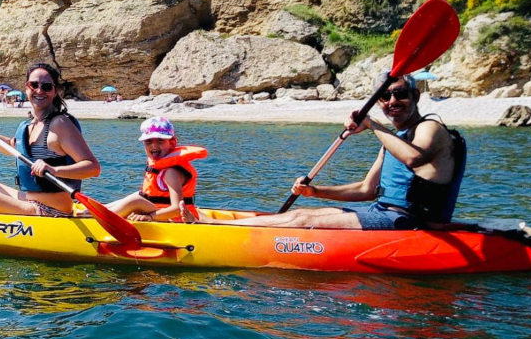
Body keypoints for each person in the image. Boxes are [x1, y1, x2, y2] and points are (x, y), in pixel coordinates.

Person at [225, 73, 466, 230]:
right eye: (384, 96)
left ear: (415, 96)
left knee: (303, 221)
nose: (392, 101)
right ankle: (218, 226)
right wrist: (315, 191)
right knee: (301, 212)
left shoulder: (430, 128)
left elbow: (415, 158)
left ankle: (209, 226)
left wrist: (371, 124)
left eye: (400, 94)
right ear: (379, 101)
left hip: (413, 222)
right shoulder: (393, 140)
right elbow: (365, 189)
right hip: (384, 212)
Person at [0, 63, 101, 217]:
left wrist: (53, 170)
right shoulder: (28, 125)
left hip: (52, 209)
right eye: (34, 85)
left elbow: (93, 167)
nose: (39, 91)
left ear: (55, 91)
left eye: (46, 87)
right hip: (30, 200)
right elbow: (12, 146)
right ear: (26, 87)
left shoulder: (60, 124)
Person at [108, 117, 209, 223]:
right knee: (137, 196)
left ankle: (101, 218)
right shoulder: (160, 168)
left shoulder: (171, 173)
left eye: (160, 140)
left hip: (178, 220)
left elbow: (177, 208)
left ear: (172, 143)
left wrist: (151, 217)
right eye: (148, 141)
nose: (154, 145)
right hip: (163, 214)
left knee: (136, 201)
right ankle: (98, 212)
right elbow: (146, 196)